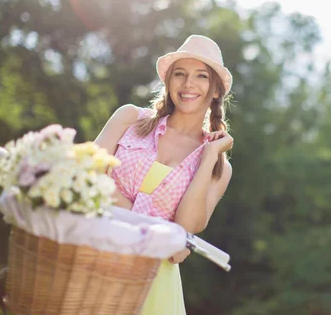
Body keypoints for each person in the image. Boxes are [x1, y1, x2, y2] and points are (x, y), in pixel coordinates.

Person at [94, 35, 234, 314]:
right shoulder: (130, 120)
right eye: (179, 74)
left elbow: (187, 225)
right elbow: (81, 176)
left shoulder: (219, 168)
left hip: (153, 279)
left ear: (216, 90)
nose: (188, 84)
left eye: (201, 76)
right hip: (93, 248)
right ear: (168, 81)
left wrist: (208, 158)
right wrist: (166, 232)